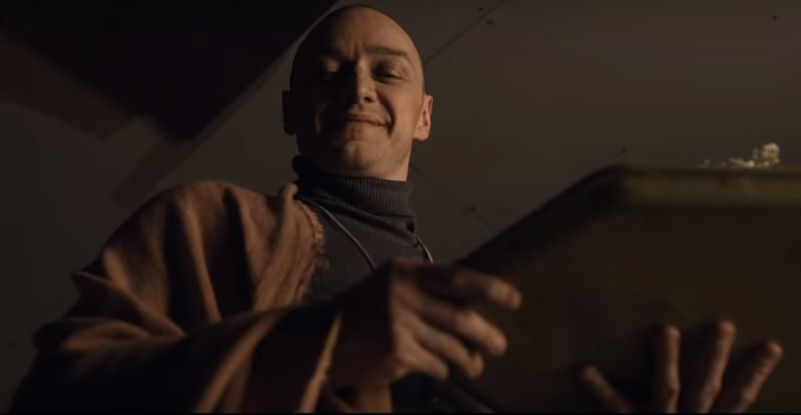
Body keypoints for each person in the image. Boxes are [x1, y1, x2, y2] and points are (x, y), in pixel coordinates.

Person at [10, 4, 782, 413]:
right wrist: (322, 345)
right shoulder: (207, 220)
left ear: (423, 116)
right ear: (291, 111)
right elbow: (57, 395)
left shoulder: (481, 292)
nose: (357, 87)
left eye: (387, 73)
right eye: (328, 72)